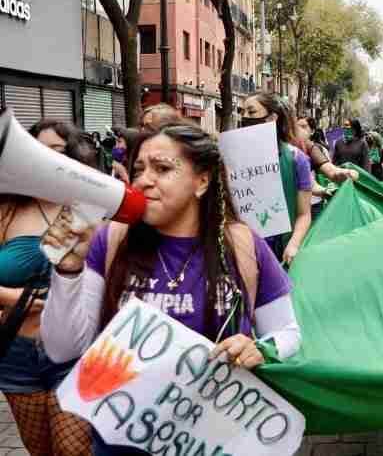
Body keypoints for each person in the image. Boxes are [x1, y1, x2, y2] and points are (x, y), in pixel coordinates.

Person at [40, 121, 302, 456]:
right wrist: (68, 269)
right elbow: (62, 350)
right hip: (120, 445)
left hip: (214, 441)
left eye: (162, 169)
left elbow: (288, 332)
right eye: (138, 169)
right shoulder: (110, 240)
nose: (143, 180)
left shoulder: (243, 245)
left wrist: (260, 349)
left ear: (202, 181)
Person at [0, 120, 94, 456]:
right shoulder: (6, 210)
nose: (45, 160)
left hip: (75, 356)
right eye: (36, 151)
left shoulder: (94, 207)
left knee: (72, 451)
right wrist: (11, 297)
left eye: (57, 151)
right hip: (17, 355)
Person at [242, 93, 312, 265]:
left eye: (251, 112)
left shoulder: (296, 159)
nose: (244, 117)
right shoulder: (232, 157)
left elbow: (304, 214)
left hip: (279, 252)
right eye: (242, 112)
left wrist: (293, 245)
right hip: (243, 250)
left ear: (272, 118)